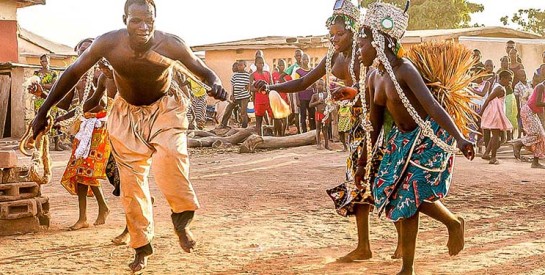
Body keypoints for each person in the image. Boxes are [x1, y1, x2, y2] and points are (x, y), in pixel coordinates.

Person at [31, 0, 227, 272]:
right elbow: (73, 72)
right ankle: (141, 246)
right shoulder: (108, 43)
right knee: (132, 183)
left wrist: (215, 84)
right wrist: (43, 111)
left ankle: (182, 218)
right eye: (136, 20)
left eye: (149, 20)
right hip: (125, 114)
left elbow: (204, 71)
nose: (143, 26)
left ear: (156, 19)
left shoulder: (171, 44)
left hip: (165, 109)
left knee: (170, 154)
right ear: (124, 19)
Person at [256, 0, 389, 262]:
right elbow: (304, 81)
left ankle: (412, 237)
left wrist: (356, 92)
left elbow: (381, 84)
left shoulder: (365, 53)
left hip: (377, 124)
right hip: (353, 125)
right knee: (358, 181)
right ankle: (364, 246)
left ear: (353, 30)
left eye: (340, 34)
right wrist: (272, 88)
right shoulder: (333, 57)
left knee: (388, 179)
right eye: (332, 35)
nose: (335, 39)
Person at [353, 2, 475, 274]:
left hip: (429, 136)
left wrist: (461, 138)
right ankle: (451, 225)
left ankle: (411, 265)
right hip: (401, 139)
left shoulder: (404, 70)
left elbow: (432, 106)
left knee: (410, 194)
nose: (359, 50)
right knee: (398, 197)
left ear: (380, 41)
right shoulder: (375, 76)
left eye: (362, 43)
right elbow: (373, 125)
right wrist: (363, 163)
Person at [480, 71, 514, 164]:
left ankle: (486, 153)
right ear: (502, 78)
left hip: (495, 112)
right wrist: (481, 112)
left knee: (496, 135)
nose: (510, 82)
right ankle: (493, 157)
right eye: (508, 79)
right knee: (496, 135)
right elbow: (488, 99)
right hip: (496, 113)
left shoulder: (499, 87)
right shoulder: (499, 88)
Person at [513, 80, 545, 168]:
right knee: (536, 134)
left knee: (541, 136)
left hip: (532, 112)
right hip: (528, 111)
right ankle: (519, 143)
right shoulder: (540, 86)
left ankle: (535, 162)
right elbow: (538, 103)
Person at [220, 60, 251, 128]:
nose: (239, 67)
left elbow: (249, 85)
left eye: (241, 65)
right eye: (238, 65)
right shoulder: (235, 75)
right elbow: (233, 86)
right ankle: (223, 124)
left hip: (244, 96)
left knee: (243, 112)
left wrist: (248, 89)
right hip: (236, 96)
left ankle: (244, 126)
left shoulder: (247, 75)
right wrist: (232, 95)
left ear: (245, 66)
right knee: (228, 108)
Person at [249, 56, 273, 136]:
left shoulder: (267, 74)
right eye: (259, 63)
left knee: (274, 118)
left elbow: (272, 85)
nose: (261, 64)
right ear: (255, 64)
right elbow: (250, 88)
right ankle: (260, 137)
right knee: (259, 121)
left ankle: (275, 135)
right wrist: (259, 89)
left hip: (269, 99)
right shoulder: (253, 75)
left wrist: (268, 89)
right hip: (259, 100)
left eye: (263, 63)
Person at [294, 54, 316, 132]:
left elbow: (315, 85)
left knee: (312, 115)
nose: (305, 61)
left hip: (311, 97)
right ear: (301, 60)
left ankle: (313, 132)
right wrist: (297, 99)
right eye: (304, 59)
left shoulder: (312, 70)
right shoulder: (298, 71)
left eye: (307, 59)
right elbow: (296, 86)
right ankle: (304, 132)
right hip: (302, 97)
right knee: (303, 116)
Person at [272, 59, 292, 136]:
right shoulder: (274, 75)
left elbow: (289, 88)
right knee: (276, 118)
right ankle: (276, 133)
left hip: (285, 98)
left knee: (285, 117)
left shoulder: (288, 76)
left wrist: (289, 100)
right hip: (276, 98)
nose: (281, 67)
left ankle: (283, 134)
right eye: (280, 65)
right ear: (277, 66)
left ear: (285, 66)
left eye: (283, 65)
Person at [309, 79, 330, 149]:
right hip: (318, 113)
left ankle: (326, 145)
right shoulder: (314, 95)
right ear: (316, 86)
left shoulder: (326, 94)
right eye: (318, 85)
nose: (320, 86)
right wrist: (317, 102)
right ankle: (318, 144)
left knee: (325, 130)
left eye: (321, 85)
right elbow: (310, 105)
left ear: (324, 86)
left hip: (325, 114)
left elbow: (330, 103)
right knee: (318, 129)